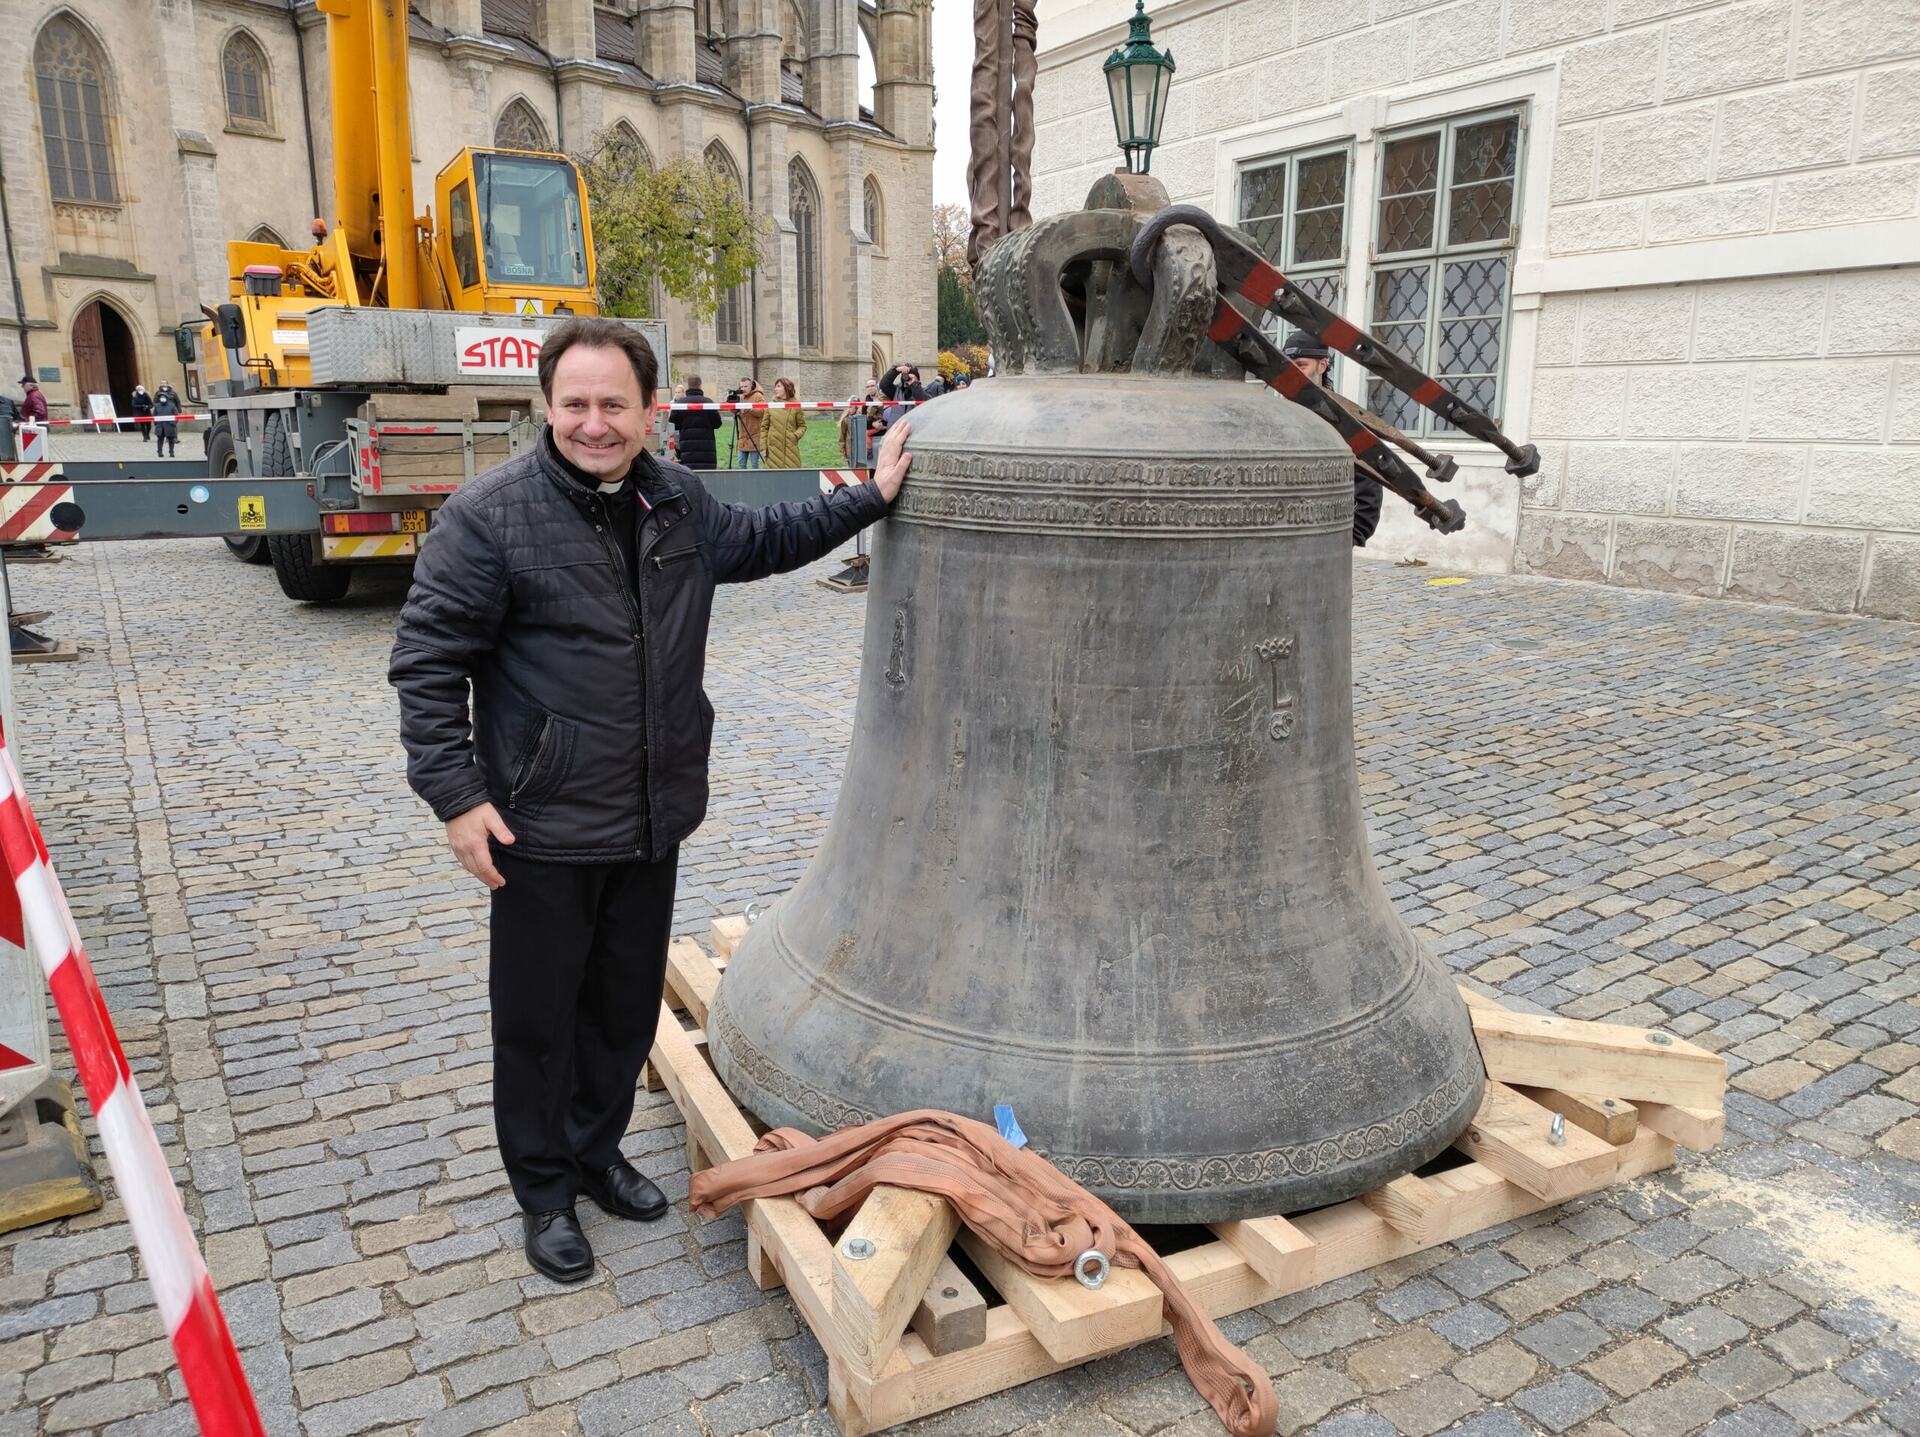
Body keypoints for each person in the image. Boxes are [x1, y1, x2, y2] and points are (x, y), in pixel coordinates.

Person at [389, 317, 912, 1283]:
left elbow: (768, 538)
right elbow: (426, 662)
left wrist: (870, 499)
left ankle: (596, 1152)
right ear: (547, 407)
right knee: (539, 1019)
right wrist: (457, 797)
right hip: (540, 825)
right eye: (576, 404)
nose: (594, 423)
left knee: (623, 1008)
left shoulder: (678, 502)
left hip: (650, 814)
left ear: (650, 410)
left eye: (613, 404)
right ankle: (545, 1190)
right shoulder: (489, 516)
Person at [1281, 333, 1381, 549]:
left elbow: (1368, 485)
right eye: (1288, 366)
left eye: (1301, 365)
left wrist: (1351, 537)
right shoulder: (1278, 417)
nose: (1293, 373)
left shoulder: (1343, 420)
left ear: (1322, 366)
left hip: (1324, 540)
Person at [667, 375, 720, 469]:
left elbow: (673, 423)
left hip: (687, 450)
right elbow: (717, 423)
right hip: (707, 450)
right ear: (700, 385)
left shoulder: (680, 404)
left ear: (688, 385)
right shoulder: (708, 402)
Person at [762, 378, 806, 470]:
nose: (775, 389)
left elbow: (802, 426)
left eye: (778, 386)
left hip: (790, 449)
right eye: (775, 387)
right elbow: (764, 427)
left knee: (792, 478)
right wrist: (763, 447)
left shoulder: (796, 406)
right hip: (773, 450)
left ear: (787, 388)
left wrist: (794, 436)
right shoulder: (771, 405)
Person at [733, 375, 766, 469]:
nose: (743, 389)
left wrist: (749, 408)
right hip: (742, 437)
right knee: (741, 465)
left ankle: (756, 483)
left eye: (745, 386)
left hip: (754, 436)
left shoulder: (758, 396)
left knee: (754, 465)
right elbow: (735, 412)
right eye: (741, 387)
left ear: (751, 386)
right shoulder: (740, 397)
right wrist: (731, 405)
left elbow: (763, 411)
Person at [152, 381, 182, 457]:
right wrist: (156, 423)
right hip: (160, 426)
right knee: (160, 440)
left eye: (164, 397)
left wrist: (173, 423)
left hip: (169, 425)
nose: (162, 398)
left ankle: (171, 452)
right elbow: (154, 415)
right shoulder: (157, 406)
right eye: (161, 397)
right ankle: (159, 452)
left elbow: (176, 415)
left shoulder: (172, 405)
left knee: (171, 440)